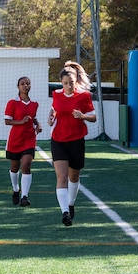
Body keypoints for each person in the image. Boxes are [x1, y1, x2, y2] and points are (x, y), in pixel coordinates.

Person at [48, 60, 96, 227]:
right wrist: (50, 117)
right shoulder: (56, 94)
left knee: (73, 176)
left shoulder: (84, 96)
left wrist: (82, 116)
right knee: (61, 177)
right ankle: (65, 212)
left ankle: (71, 203)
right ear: (61, 83)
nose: (69, 86)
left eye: (72, 83)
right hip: (58, 140)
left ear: (76, 82)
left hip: (76, 140)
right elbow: (53, 109)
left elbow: (93, 117)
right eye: (66, 83)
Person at [5, 76, 42, 207]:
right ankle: (16, 189)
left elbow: (34, 118)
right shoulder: (12, 103)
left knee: (26, 165)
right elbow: (7, 121)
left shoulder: (34, 104)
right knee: (14, 168)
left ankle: (24, 197)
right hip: (15, 140)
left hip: (29, 139)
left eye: (28, 83)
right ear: (18, 87)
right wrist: (21, 122)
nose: (26, 86)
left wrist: (38, 124)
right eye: (22, 84)